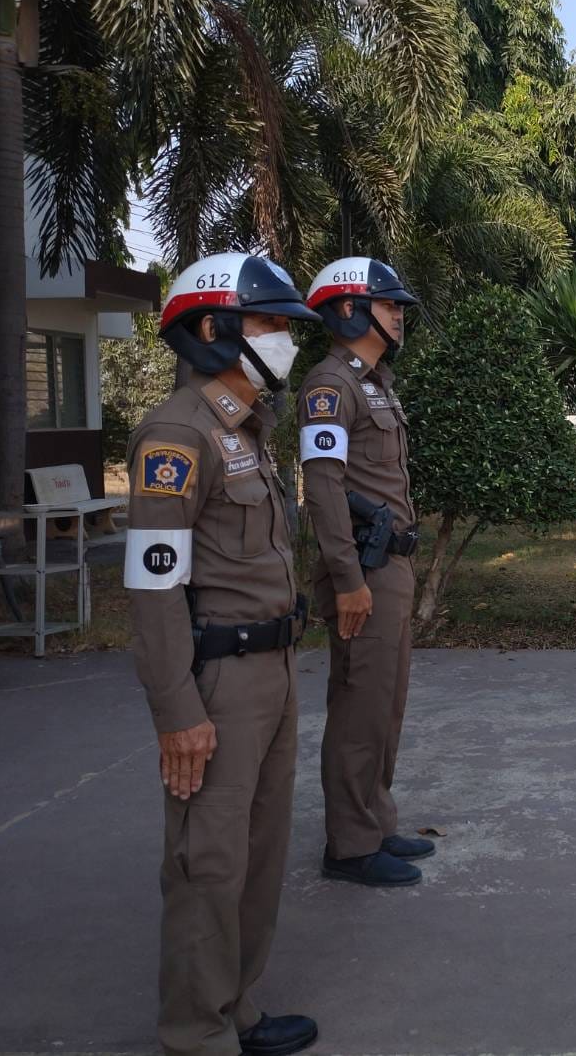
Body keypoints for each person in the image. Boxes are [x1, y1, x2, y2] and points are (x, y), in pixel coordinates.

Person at [124, 252, 320, 1056]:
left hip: (273, 670)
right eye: (271, 324)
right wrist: (178, 711)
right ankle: (196, 1032)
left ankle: (235, 1006)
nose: (285, 340)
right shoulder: (177, 435)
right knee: (207, 861)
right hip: (219, 681)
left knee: (259, 852)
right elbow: (153, 588)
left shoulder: (244, 429)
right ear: (214, 330)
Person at [299, 257, 429, 888]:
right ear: (349, 310)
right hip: (363, 570)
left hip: (391, 565)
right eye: (387, 304)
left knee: (385, 704)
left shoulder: (376, 383)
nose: (398, 315)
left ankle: (374, 821)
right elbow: (324, 489)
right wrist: (347, 579)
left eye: (399, 306)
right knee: (358, 708)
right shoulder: (330, 386)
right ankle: (349, 846)